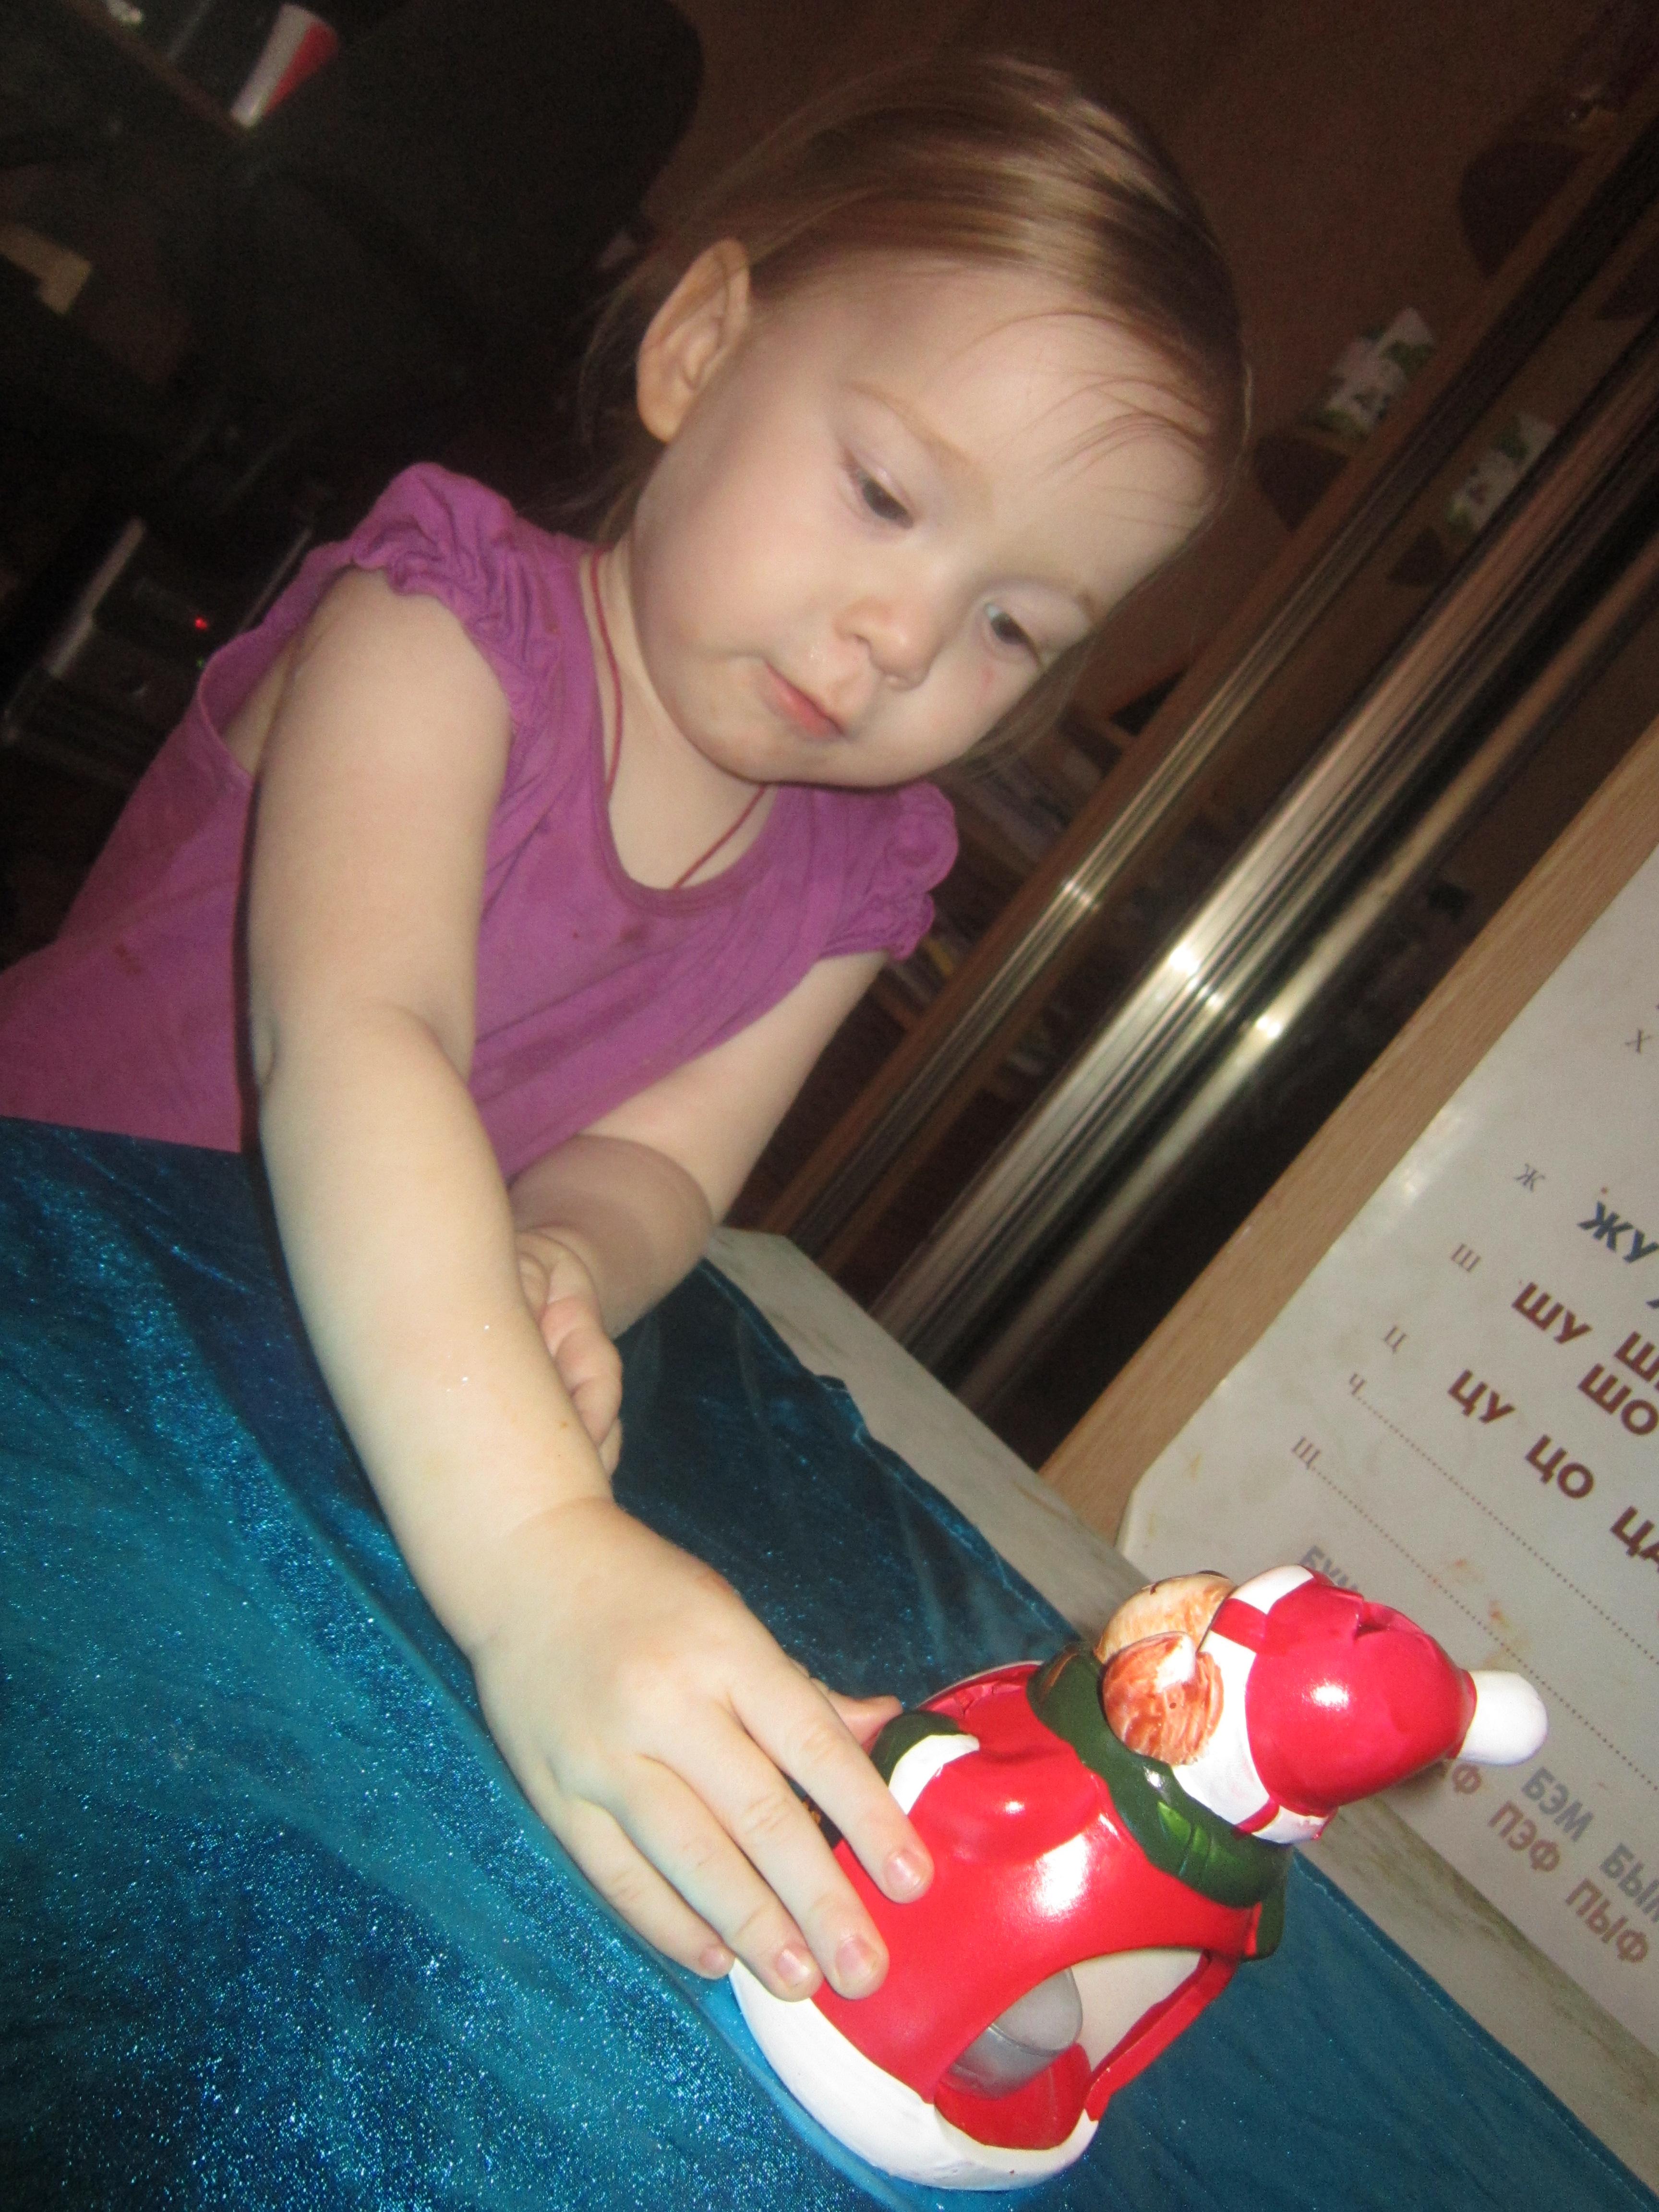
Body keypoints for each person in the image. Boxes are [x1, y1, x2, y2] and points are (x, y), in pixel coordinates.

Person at [0, 56, 1245, 2011]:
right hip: (46, 1280)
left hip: (328, 1386)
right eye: (886, 495)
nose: (905, 640)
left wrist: (564, 1254)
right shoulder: (438, 631)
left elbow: (666, 1160)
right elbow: (362, 1041)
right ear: (698, 349)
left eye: (1017, 623)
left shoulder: (857, 878)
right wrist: (538, 1559)